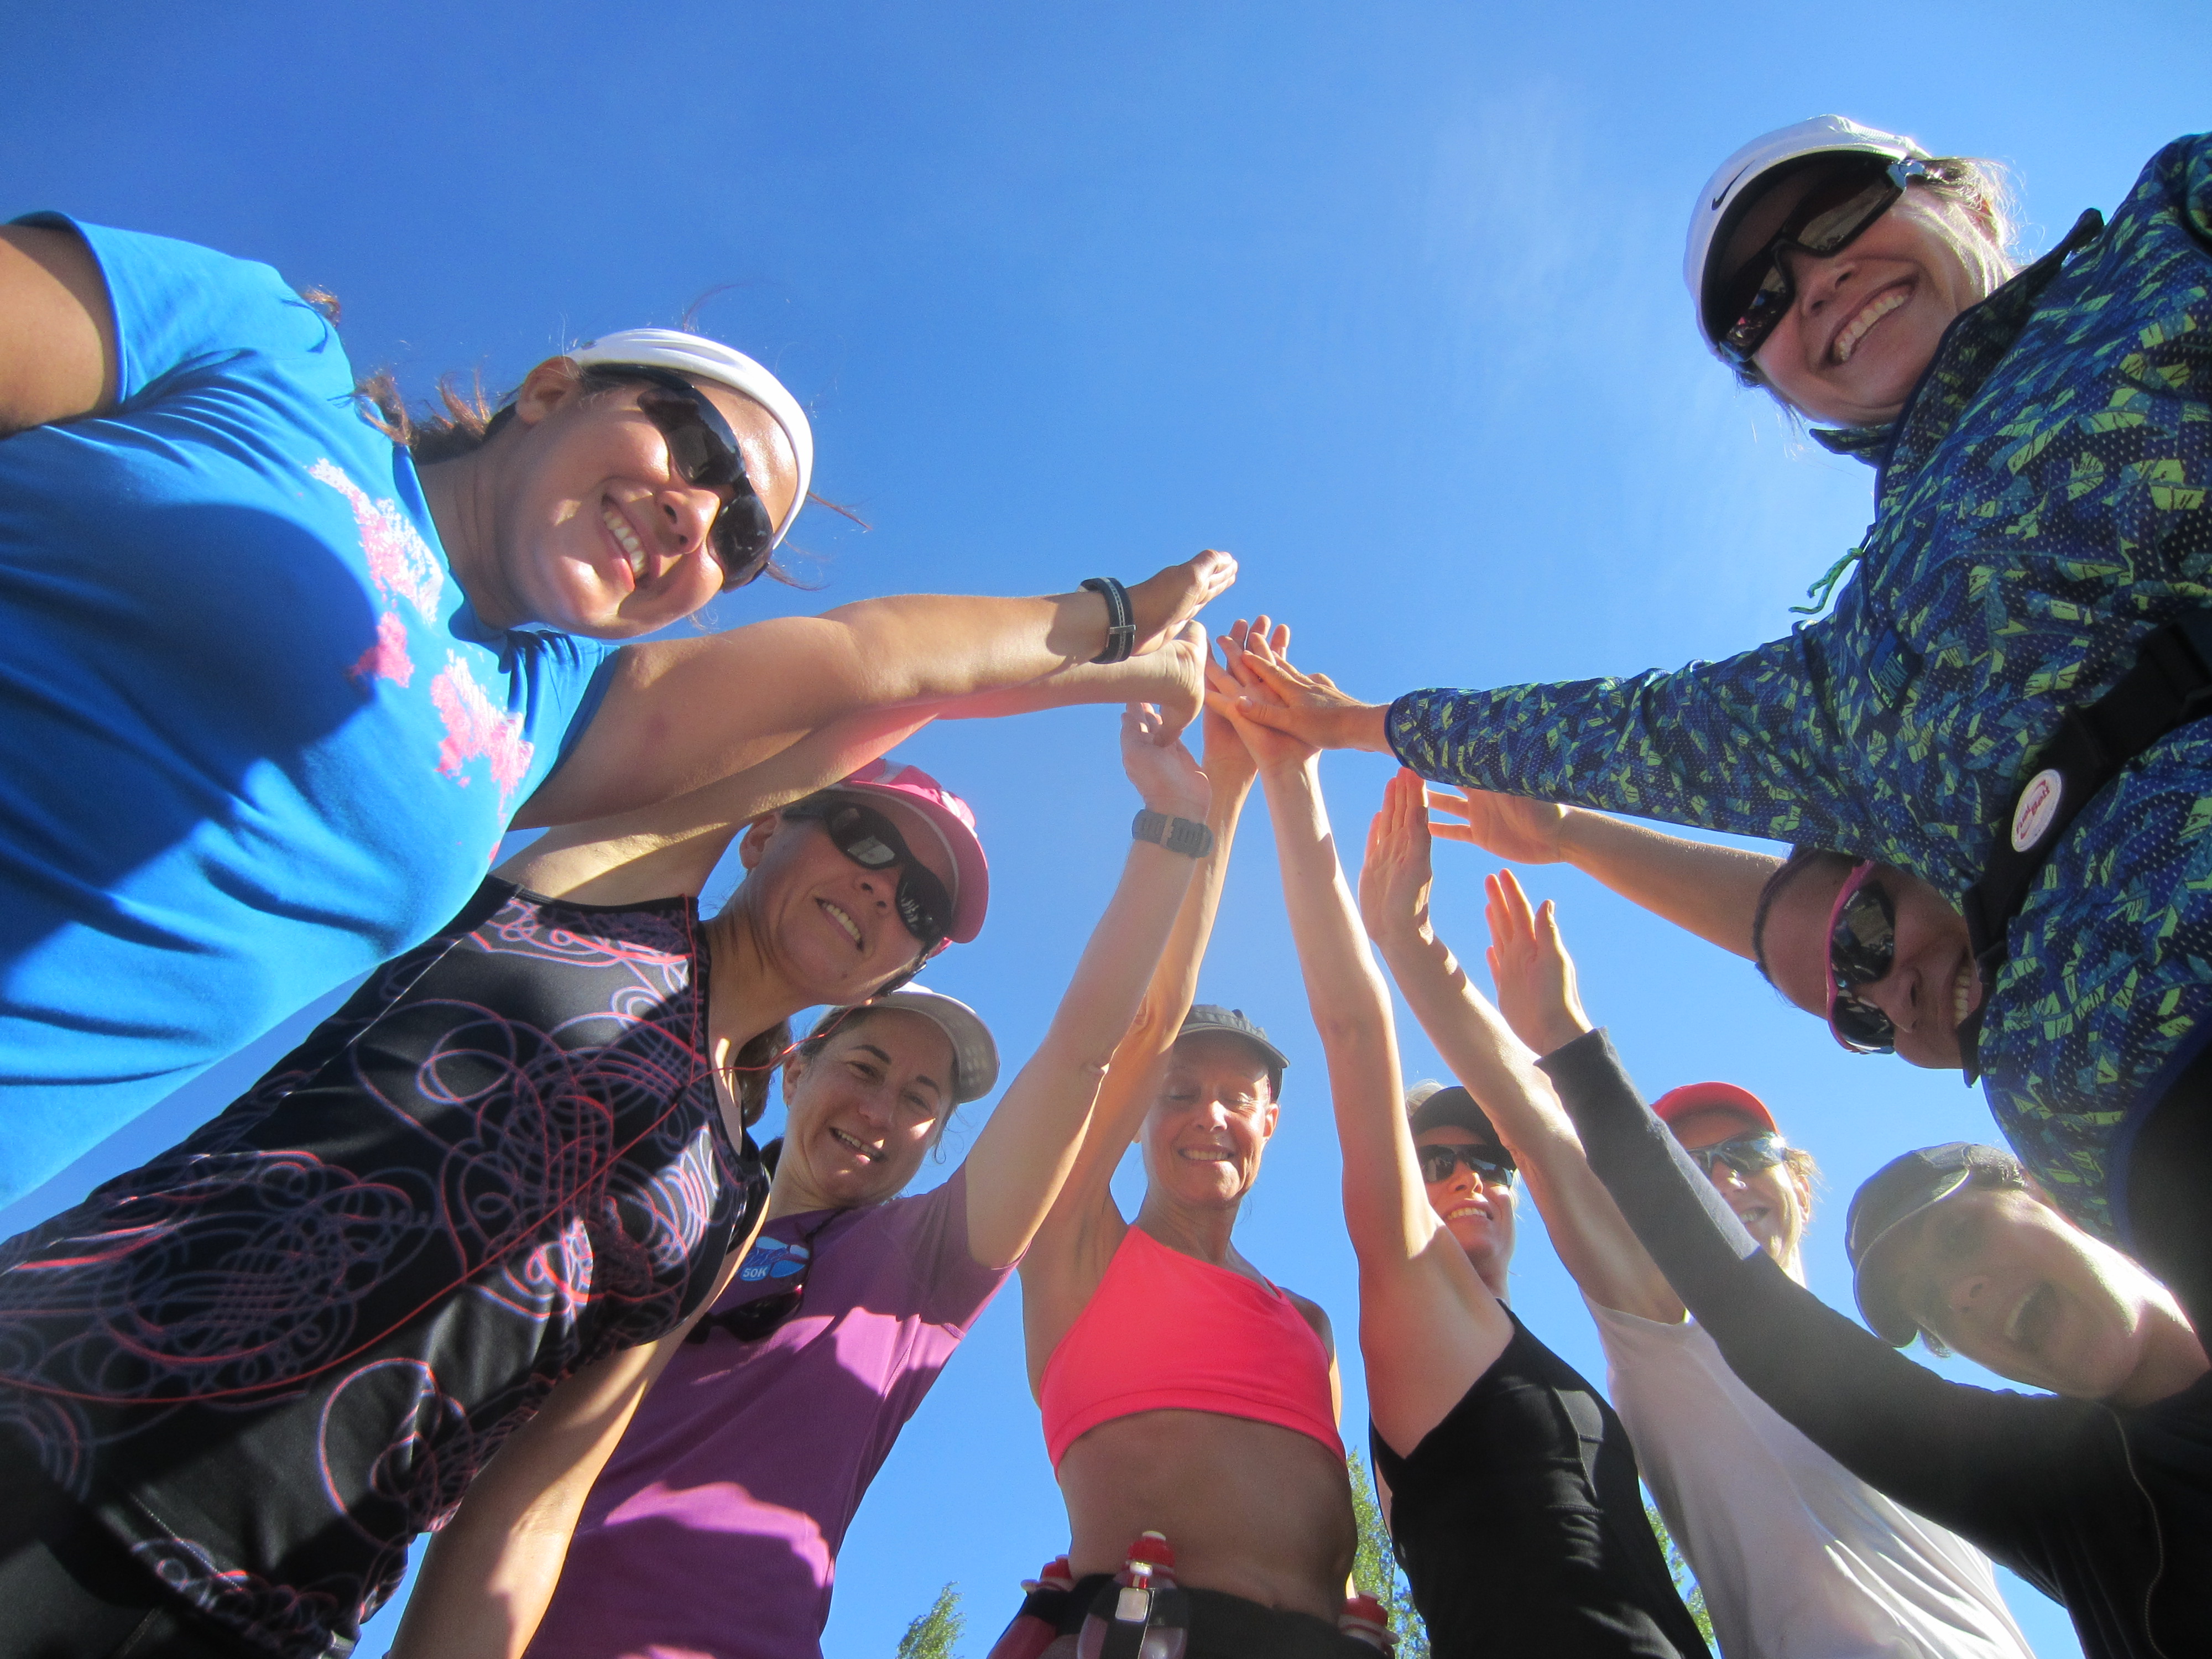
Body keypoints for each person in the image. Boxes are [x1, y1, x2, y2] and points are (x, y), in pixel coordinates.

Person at [0, 210, 1233, 1205]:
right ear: (550, 390)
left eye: (738, 534)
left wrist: (1118, 639)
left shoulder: (540, 723)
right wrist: (1118, 623)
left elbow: (873, 656)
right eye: (693, 444)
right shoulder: (264, 357)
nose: (701, 511)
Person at [1209, 121, 2212, 1274]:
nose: (1814, 287)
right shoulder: (1858, 662)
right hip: (2156, 1174)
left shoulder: (2154, 257)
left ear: (1961, 202)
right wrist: (1350, 726)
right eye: (1758, 307)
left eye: (1836, 217)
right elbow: (1635, 733)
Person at [0, 699, 1018, 1659]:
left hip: (274, 1616)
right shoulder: (601, 898)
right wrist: (1076, 643)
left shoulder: (732, 1199)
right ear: (764, 828)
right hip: (48, 1424)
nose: (886, 887)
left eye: (921, 902)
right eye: (866, 836)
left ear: (897, 967)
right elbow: (803, 692)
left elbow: (532, 1503)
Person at [396, 707, 1218, 1659]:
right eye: (865, 1069)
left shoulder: (926, 1266)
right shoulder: (669, 1200)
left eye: (920, 1099)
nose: (880, 1111)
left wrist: (1172, 828)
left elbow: (1087, 1053)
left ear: (937, 1140)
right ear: (797, 1069)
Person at [1360, 782, 2033, 1658]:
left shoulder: (1887, 1370)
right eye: (1688, 1162)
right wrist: (1411, 947)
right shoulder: (1672, 1336)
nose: (1723, 1178)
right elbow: (1540, 1133)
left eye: (1746, 1152)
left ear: (1796, 1178)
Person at [1210, 633, 1708, 1657]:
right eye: (1433, 1162)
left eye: (1485, 1164)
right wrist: (1290, 776)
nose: (1467, 1179)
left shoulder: (1573, 1353)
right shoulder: (1408, 1305)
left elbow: (1547, 1129)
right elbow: (1355, 1032)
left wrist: (1434, 956)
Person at [1550, 1040, 2212, 1659]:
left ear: (2049, 1194)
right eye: (1926, 1304)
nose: (1961, 1293)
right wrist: (1566, 1047)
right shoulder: (2067, 1497)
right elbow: (1758, 1321)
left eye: (1959, 1236)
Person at [1000, 633, 1371, 1658]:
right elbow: (1148, 1018)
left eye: (1234, 1098)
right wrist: (1227, 789)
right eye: (1180, 1094)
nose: (1207, 1116)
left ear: (1270, 1123)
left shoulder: (1310, 1323)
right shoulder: (1075, 1242)